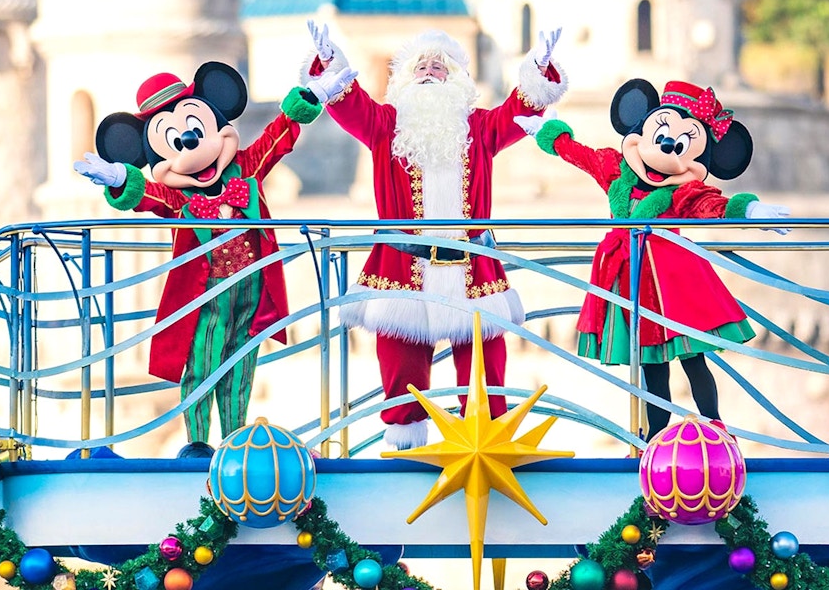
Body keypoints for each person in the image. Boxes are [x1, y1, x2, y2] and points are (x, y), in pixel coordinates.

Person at [304, 22, 568, 449]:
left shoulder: (479, 128)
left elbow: (519, 112)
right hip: (403, 269)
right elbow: (351, 106)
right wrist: (331, 63)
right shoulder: (386, 125)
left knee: (485, 374)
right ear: (404, 80)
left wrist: (537, 70)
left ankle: (488, 450)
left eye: (439, 67)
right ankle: (406, 449)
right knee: (401, 373)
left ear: (457, 78)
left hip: (472, 270)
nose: (429, 72)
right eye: (420, 67)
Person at [517, 78, 790, 442]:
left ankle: (715, 425)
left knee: (693, 358)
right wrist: (549, 134)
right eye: (661, 135)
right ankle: (655, 436)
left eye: (681, 145)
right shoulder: (617, 172)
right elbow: (582, 156)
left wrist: (749, 210)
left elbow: (711, 204)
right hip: (631, 282)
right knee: (652, 367)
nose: (666, 149)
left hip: (675, 287)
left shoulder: (683, 191)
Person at [73, 62, 323, 457]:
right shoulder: (178, 197)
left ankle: (236, 438)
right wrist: (122, 182)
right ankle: (197, 442)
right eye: (174, 142)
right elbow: (148, 197)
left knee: (241, 366)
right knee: (203, 362)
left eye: (197, 131)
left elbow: (276, 140)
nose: (191, 147)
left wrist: (306, 99)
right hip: (205, 295)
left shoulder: (246, 171)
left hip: (252, 293)